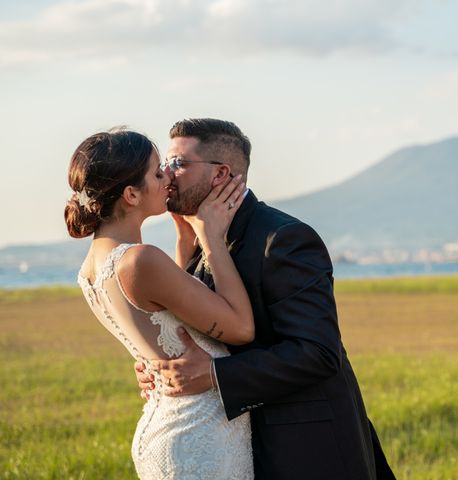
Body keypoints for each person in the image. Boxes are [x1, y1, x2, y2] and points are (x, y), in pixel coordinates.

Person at [135, 118, 396, 479]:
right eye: (166, 163)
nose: (167, 173)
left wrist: (213, 374)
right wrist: (163, 367)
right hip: (235, 444)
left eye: (179, 163)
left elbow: (318, 353)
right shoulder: (198, 239)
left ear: (221, 174)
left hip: (305, 446)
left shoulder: (283, 238)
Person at [65, 128, 254, 479]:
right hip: (200, 437)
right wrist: (210, 237)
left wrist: (185, 238)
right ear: (131, 194)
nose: (168, 176)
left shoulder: (91, 269)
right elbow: (241, 328)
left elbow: (171, 314)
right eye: (156, 172)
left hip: (167, 427)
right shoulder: (141, 260)